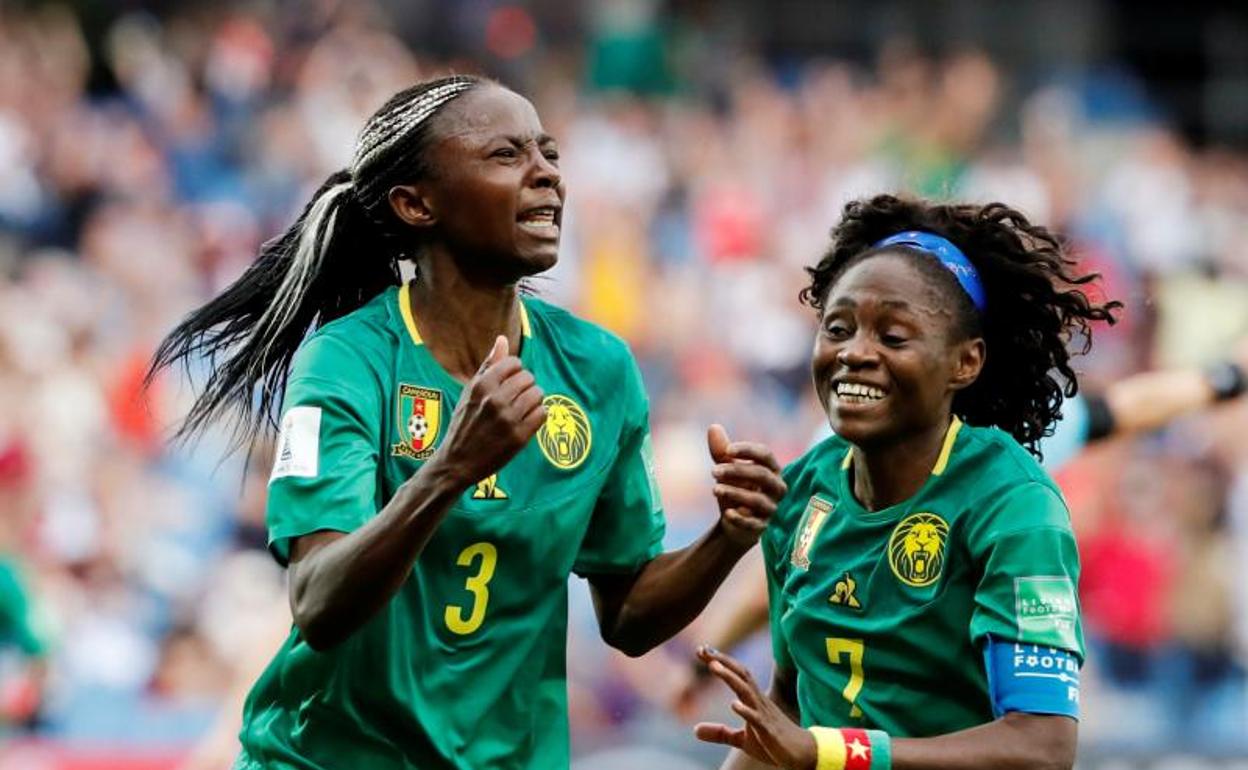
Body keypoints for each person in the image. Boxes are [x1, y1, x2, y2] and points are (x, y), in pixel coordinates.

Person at [148, 74, 787, 770]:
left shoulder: (599, 368)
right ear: (416, 203)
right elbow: (317, 600)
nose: (547, 175)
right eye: (506, 155)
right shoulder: (346, 362)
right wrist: (449, 470)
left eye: (549, 154)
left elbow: (628, 616)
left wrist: (727, 537)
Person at [693, 194, 1119, 770]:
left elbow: (1041, 747)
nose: (855, 354)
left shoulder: (1012, 505)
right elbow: (791, 710)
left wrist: (832, 752)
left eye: (893, 337)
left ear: (964, 363)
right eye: (837, 328)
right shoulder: (800, 495)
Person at [671, 341, 1248, 718]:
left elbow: (1120, 409)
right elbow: (776, 581)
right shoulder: (840, 457)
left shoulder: (1015, 434)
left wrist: (1224, 380)